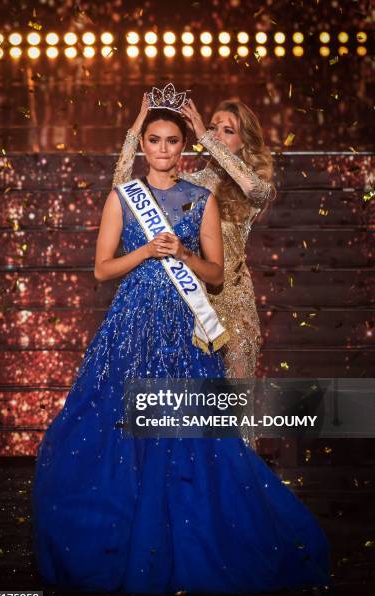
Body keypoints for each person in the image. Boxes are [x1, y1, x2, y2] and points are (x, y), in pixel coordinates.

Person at [31, 97, 330, 596]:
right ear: (145, 144)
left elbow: (214, 269)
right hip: (130, 325)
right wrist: (147, 248)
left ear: (184, 146)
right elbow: (102, 268)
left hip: (191, 322)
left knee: (205, 433)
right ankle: (125, 535)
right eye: (155, 139)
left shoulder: (209, 192)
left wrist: (185, 252)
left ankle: (201, 533)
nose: (164, 148)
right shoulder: (125, 195)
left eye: (174, 140)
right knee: (117, 428)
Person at [113, 94, 277, 448]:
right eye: (213, 126)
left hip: (234, 308)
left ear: (245, 141)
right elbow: (123, 189)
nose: (216, 134)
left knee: (236, 413)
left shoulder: (251, 186)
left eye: (226, 130)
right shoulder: (192, 184)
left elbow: (253, 187)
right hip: (189, 305)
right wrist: (137, 128)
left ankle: (240, 497)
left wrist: (204, 135)